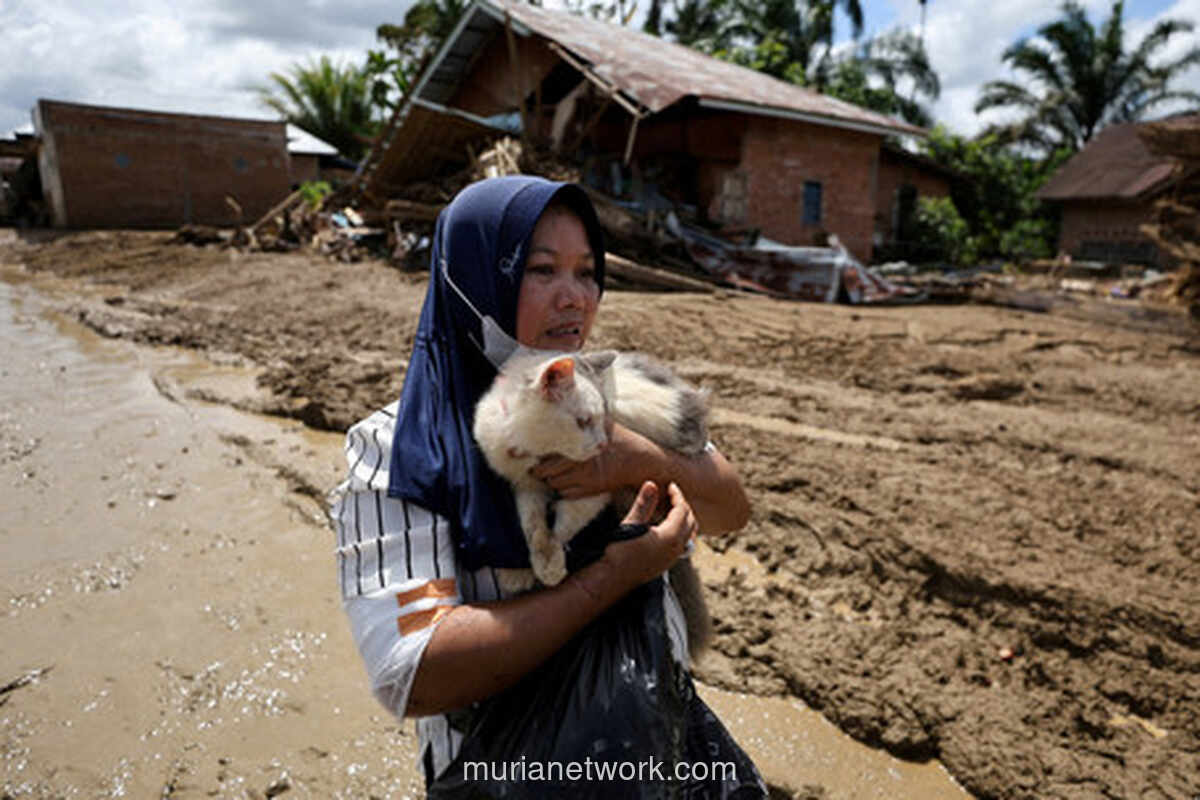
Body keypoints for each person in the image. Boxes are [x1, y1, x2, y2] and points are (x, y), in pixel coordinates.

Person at [330, 175, 764, 796]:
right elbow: (415, 673)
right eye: (542, 271)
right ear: (472, 276)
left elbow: (730, 509)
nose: (575, 299)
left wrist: (642, 462)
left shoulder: (606, 392)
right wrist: (611, 578)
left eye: (588, 273)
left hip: (660, 748)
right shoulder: (398, 450)